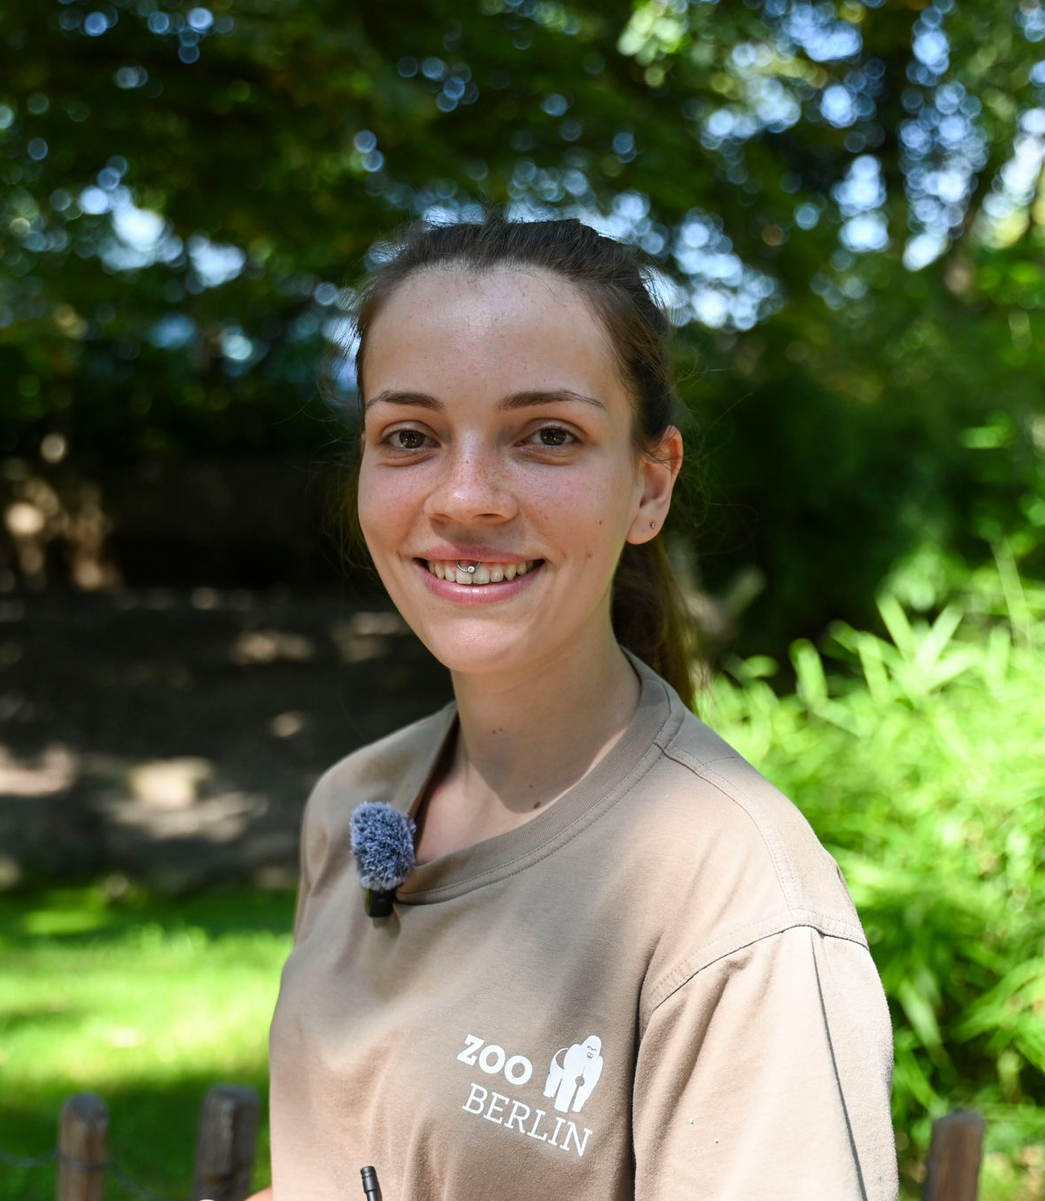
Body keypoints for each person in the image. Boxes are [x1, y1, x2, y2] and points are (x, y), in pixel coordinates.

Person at [248, 211, 899, 1200]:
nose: (465, 497)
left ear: (649, 484)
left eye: (547, 435)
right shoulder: (353, 803)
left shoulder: (737, 904)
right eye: (410, 436)